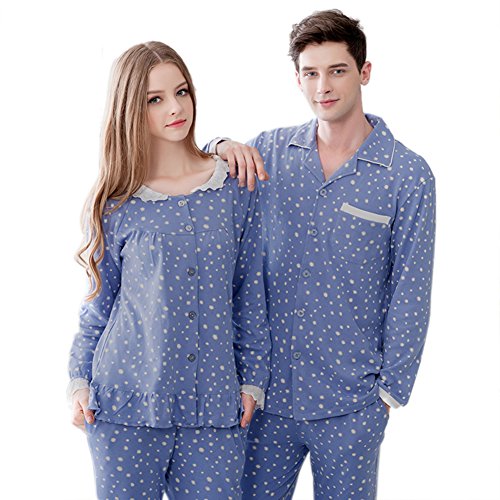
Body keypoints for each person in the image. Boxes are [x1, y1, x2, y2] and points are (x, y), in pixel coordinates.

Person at [210, 9, 436, 499]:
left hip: (352, 404)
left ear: (364, 72)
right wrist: (220, 144)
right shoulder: (268, 153)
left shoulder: (407, 174)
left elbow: (411, 288)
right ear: (297, 78)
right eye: (310, 73)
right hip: (264, 399)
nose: (323, 86)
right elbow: (199, 176)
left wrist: (387, 393)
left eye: (337, 70)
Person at [67, 41, 271, 500]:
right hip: (123, 406)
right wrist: (78, 382)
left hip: (215, 407)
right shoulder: (115, 205)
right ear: (130, 110)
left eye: (181, 92)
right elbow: (99, 309)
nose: (175, 108)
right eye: (154, 99)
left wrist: (252, 381)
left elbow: (249, 294)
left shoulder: (233, 188)